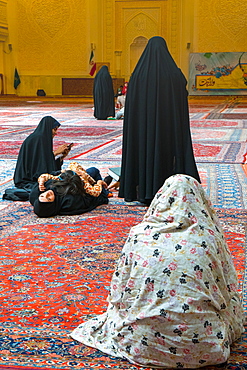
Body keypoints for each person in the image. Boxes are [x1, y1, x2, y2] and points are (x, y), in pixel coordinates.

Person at [71, 174, 244, 368]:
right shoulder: (208, 238)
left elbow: (119, 293)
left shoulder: (139, 235)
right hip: (206, 348)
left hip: (139, 345)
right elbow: (226, 291)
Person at [119, 36, 200, 205]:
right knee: (164, 155)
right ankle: (167, 189)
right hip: (167, 130)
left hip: (141, 131)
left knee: (143, 151)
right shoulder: (173, 74)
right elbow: (182, 94)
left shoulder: (137, 75)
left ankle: (142, 191)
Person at [13, 116, 71, 192]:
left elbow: (42, 163)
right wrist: (56, 152)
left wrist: (61, 156)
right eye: (54, 129)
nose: (56, 132)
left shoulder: (42, 138)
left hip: (34, 174)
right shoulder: (38, 139)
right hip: (28, 178)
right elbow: (38, 167)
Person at [29, 167, 109, 217]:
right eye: (49, 199)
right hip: (84, 188)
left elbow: (51, 176)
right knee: (94, 171)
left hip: (70, 177)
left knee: (90, 171)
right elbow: (90, 198)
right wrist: (98, 183)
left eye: (42, 196)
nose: (47, 194)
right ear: (53, 204)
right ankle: (104, 189)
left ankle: (104, 185)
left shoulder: (37, 192)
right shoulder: (69, 202)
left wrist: (63, 172)